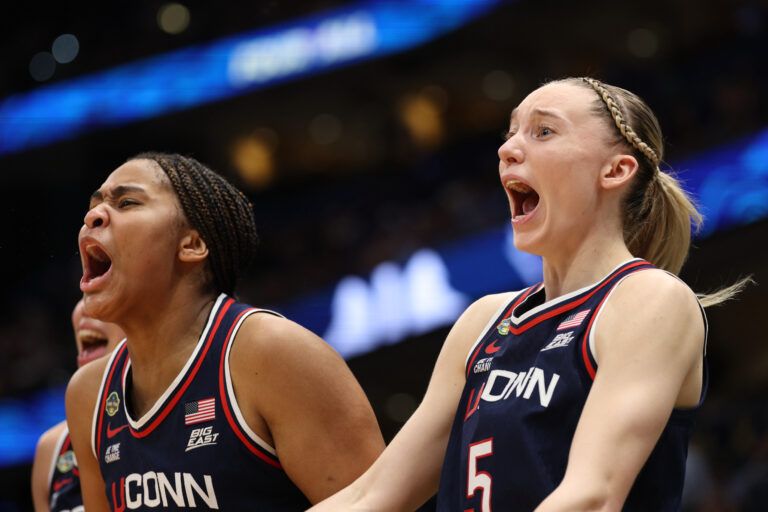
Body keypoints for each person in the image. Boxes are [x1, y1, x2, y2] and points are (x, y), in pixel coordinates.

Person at [310, 77, 748, 511]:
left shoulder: (648, 299)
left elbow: (591, 497)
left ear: (615, 170)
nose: (506, 149)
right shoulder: (482, 320)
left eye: (543, 131)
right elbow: (372, 496)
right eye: (511, 132)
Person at [65, 152, 385, 510]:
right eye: (94, 206)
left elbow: (384, 502)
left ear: (191, 244)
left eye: (127, 202)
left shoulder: (272, 353)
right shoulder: (88, 396)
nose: (92, 216)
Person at [31, 298, 126, 512]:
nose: (85, 308)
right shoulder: (51, 449)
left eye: (104, 296)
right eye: (81, 295)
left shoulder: (172, 424)